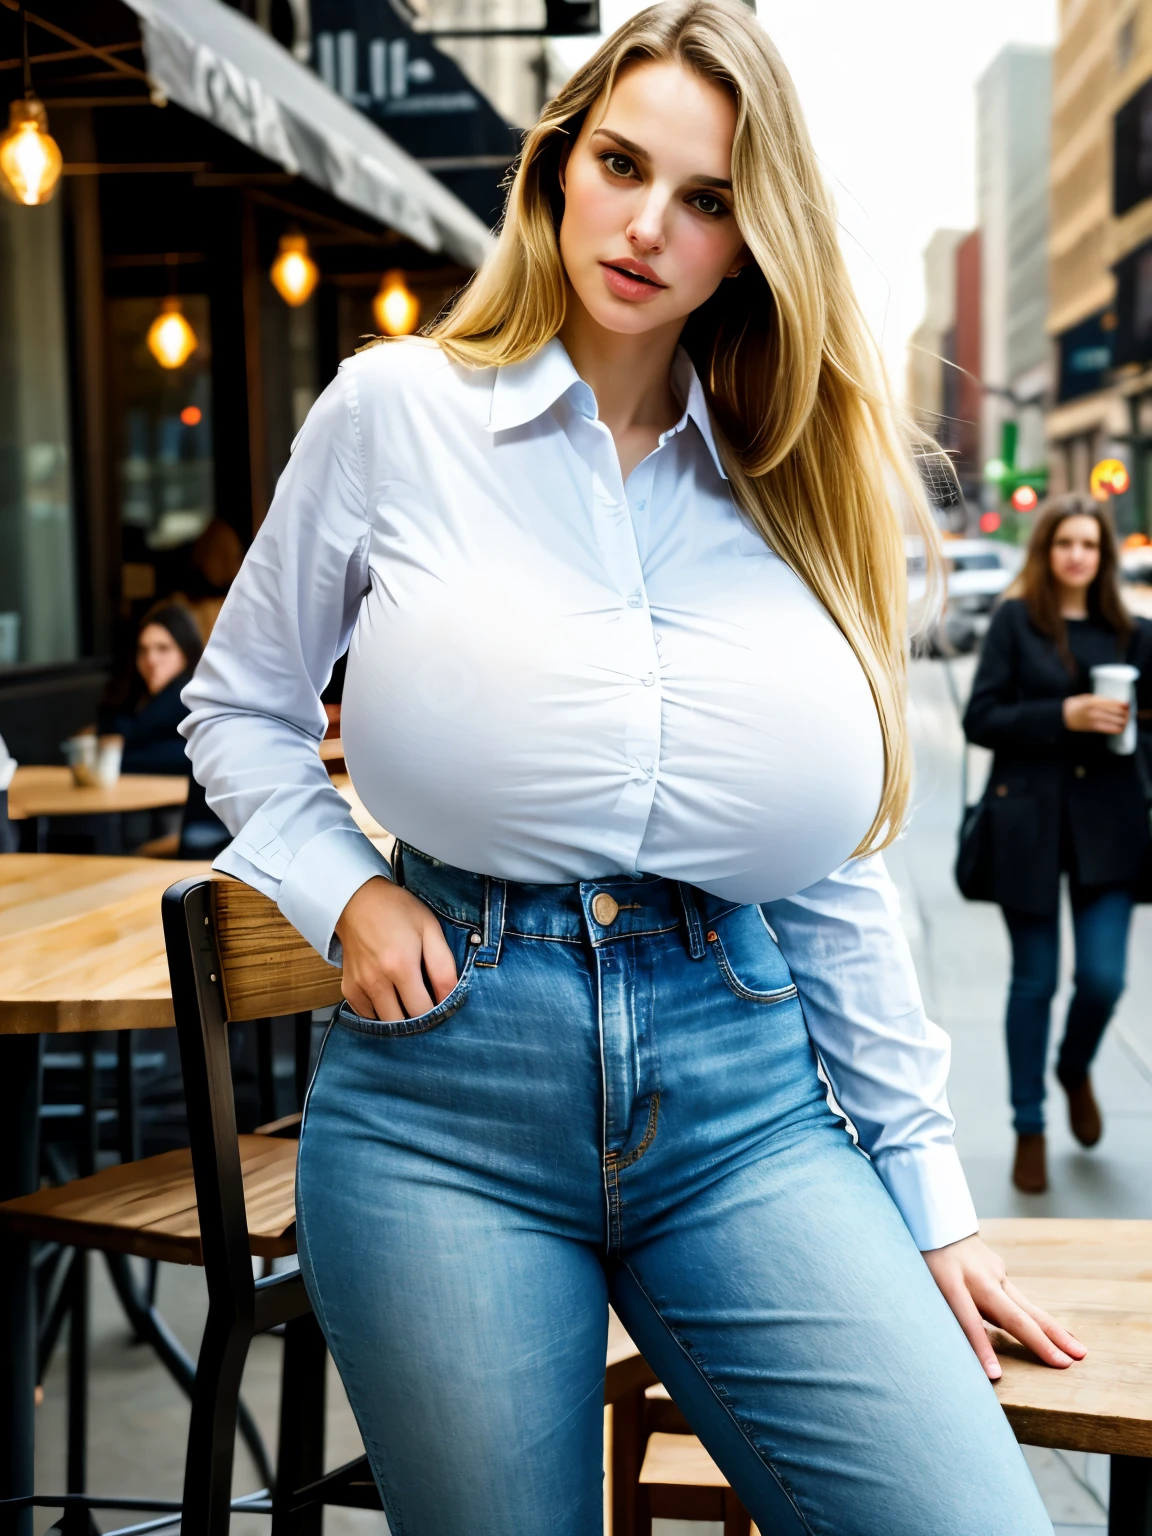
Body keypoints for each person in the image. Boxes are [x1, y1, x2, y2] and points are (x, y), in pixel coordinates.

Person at [181, 5, 1080, 1531]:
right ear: (556, 169)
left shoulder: (797, 482)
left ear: (752, 240)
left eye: (711, 198)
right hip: (446, 1101)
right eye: (621, 164)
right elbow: (241, 707)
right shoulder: (399, 413)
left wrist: (928, 1200)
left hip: (744, 1100)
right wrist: (342, 890)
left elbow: (832, 867)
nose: (650, 227)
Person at [964, 495, 1152, 1195]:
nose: (1077, 555)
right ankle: (1029, 1123)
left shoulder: (1134, 634)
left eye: (1090, 545)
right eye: (1064, 543)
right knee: (1034, 981)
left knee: (1104, 978)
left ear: (1104, 557)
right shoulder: (1017, 622)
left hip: (1112, 825)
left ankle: (1074, 1068)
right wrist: (1064, 714)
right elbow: (980, 718)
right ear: (1046, 552)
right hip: (1030, 830)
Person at [100, 603, 228, 855]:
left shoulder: (193, 696)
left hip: (196, 826)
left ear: (185, 653)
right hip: (139, 808)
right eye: (144, 650)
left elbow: (189, 756)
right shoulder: (134, 695)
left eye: (163, 648)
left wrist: (122, 755)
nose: (151, 659)